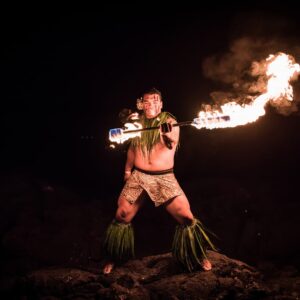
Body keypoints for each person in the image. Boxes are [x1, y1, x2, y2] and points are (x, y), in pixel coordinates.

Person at [103, 88, 216, 274]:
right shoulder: (137, 122)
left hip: (163, 177)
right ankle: (113, 257)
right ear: (142, 103)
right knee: (122, 215)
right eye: (146, 101)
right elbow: (132, 147)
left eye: (154, 101)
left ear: (161, 104)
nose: (150, 104)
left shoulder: (171, 122)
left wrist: (165, 134)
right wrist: (127, 169)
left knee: (187, 218)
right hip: (139, 176)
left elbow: (171, 143)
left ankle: (197, 256)